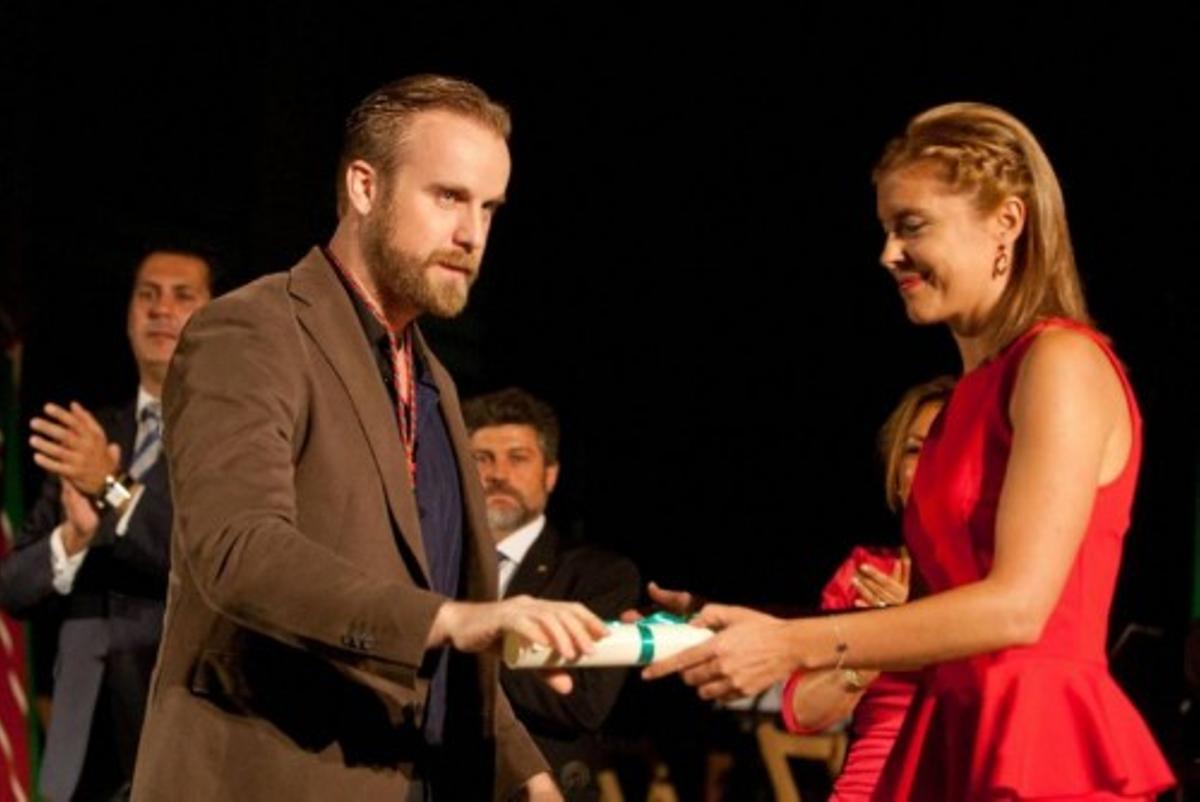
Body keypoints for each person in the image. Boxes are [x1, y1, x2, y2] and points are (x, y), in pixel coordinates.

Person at [644, 103, 1175, 800]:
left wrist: (792, 644)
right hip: (949, 732)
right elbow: (927, 619)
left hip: (1036, 734)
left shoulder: (1059, 362)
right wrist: (760, 627)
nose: (888, 254)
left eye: (912, 225)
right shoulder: (963, 401)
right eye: (887, 228)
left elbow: (1018, 608)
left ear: (1007, 221)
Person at [130, 75, 605, 802]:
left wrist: (526, 774)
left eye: (488, 208)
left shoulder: (435, 382)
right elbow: (238, 549)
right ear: (363, 186)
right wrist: (452, 619)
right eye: (448, 197)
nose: (472, 234)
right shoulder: (251, 329)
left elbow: (443, 611)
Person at [1, 244, 214, 801]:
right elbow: (14, 587)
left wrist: (112, 488)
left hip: (176, 736)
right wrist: (72, 537)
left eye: (182, 296)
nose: (161, 309)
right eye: (147, 295)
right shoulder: (90, 436)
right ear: (127, 315)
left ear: (214, 317)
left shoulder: (231, 442)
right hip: (77, 747)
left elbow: (206, 561)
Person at [465, 387, 640, 801]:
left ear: (550, 475)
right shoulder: (434, 563)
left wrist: (463, 640)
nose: (498, 474)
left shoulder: (599, 576)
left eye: (518, 458)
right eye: (482, 459)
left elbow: (584, 702)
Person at [781, 376, 951, 801]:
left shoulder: (1005, 577)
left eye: (945, 447)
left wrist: (912, 625)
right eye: (914, 450)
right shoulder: (866, 572)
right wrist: (875, 649)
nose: (928, 463)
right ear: (895, 474)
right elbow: (803, 712)